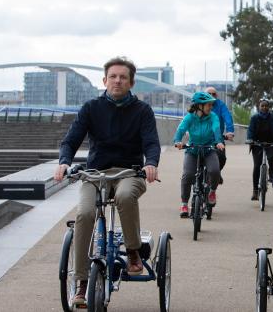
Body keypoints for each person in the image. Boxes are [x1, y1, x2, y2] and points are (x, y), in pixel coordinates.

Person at [53, 56, 160, 307]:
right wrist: (64, 161)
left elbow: (151, 142)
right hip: (95, 174)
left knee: (124, 197)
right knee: (85, 213)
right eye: (113, 76)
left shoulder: (142, 111)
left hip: (129, 172)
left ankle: (133, 251)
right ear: (104, 80)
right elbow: (71, 140)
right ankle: (81, 283)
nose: (117, 81)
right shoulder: (91, 108)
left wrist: (151, 163)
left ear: (131, 82)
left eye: (123, 77)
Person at [173, 91, 224, 218]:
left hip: (209, 149)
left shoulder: (213, 116)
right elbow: (181, 129)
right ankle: (184, 204)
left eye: (211, 105)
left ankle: (212, 192)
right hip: (193, 150)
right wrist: (178, 141)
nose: (211, 107)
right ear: (200, 106)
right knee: (187, 175)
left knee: (214, 171)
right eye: (208, 105)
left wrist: (218, 141)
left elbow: (216, 128)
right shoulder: (190, 117)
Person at [246, 99, 273, 201]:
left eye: (266, 106)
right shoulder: (254, 118)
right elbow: (250, 129)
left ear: (269, 107)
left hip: (271, 142)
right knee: (257, 166)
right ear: (259, 107)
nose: (264, 108)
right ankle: (255, 191)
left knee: (272, 158)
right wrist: (249, 139)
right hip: (257, 143)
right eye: (262, 106)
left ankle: (271, 171)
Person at [205, 86, 234, 183]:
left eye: (214, 94)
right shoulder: (199, 104)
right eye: (209, 94)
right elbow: (191, 117)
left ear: (216, 95)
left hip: (218, 138)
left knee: (222, 157)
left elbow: (227, 117)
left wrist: (230, 131)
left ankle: (216, 173)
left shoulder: (221, 105)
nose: (211, 96)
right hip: (202, 137)